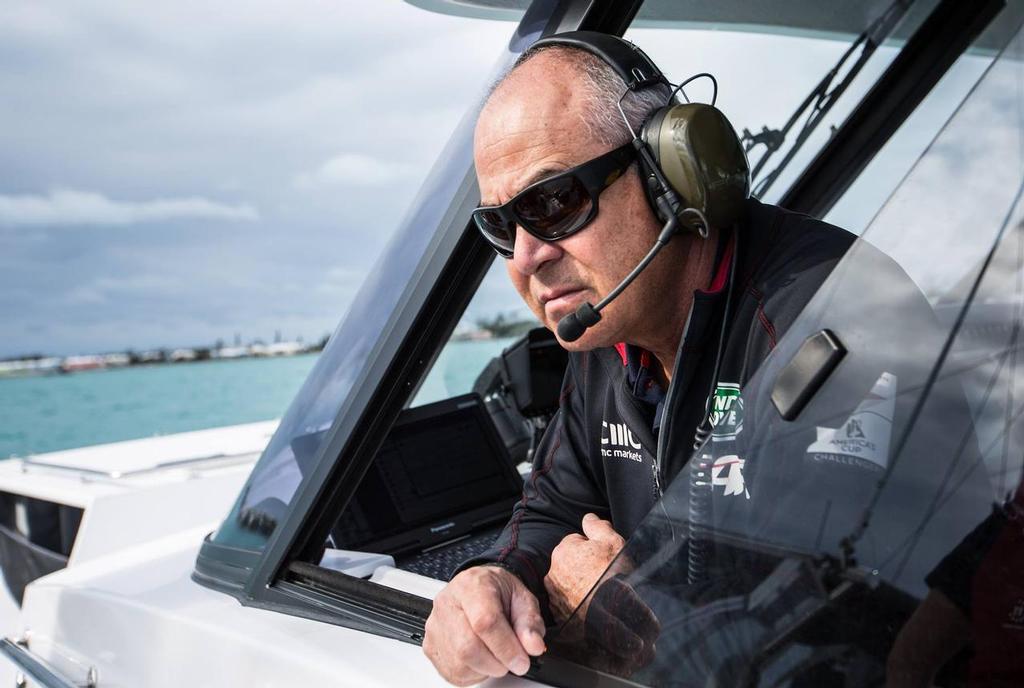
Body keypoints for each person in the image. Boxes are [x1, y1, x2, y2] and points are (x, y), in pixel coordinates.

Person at [422, 31, 858, 685]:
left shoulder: (828, 325)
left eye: (551, 204)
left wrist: (637, 612)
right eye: (501, 226)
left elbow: (860, 626)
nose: (524, 258)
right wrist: (494, 579)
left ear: (668, 175)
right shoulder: (606, 325)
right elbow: (553, 506)